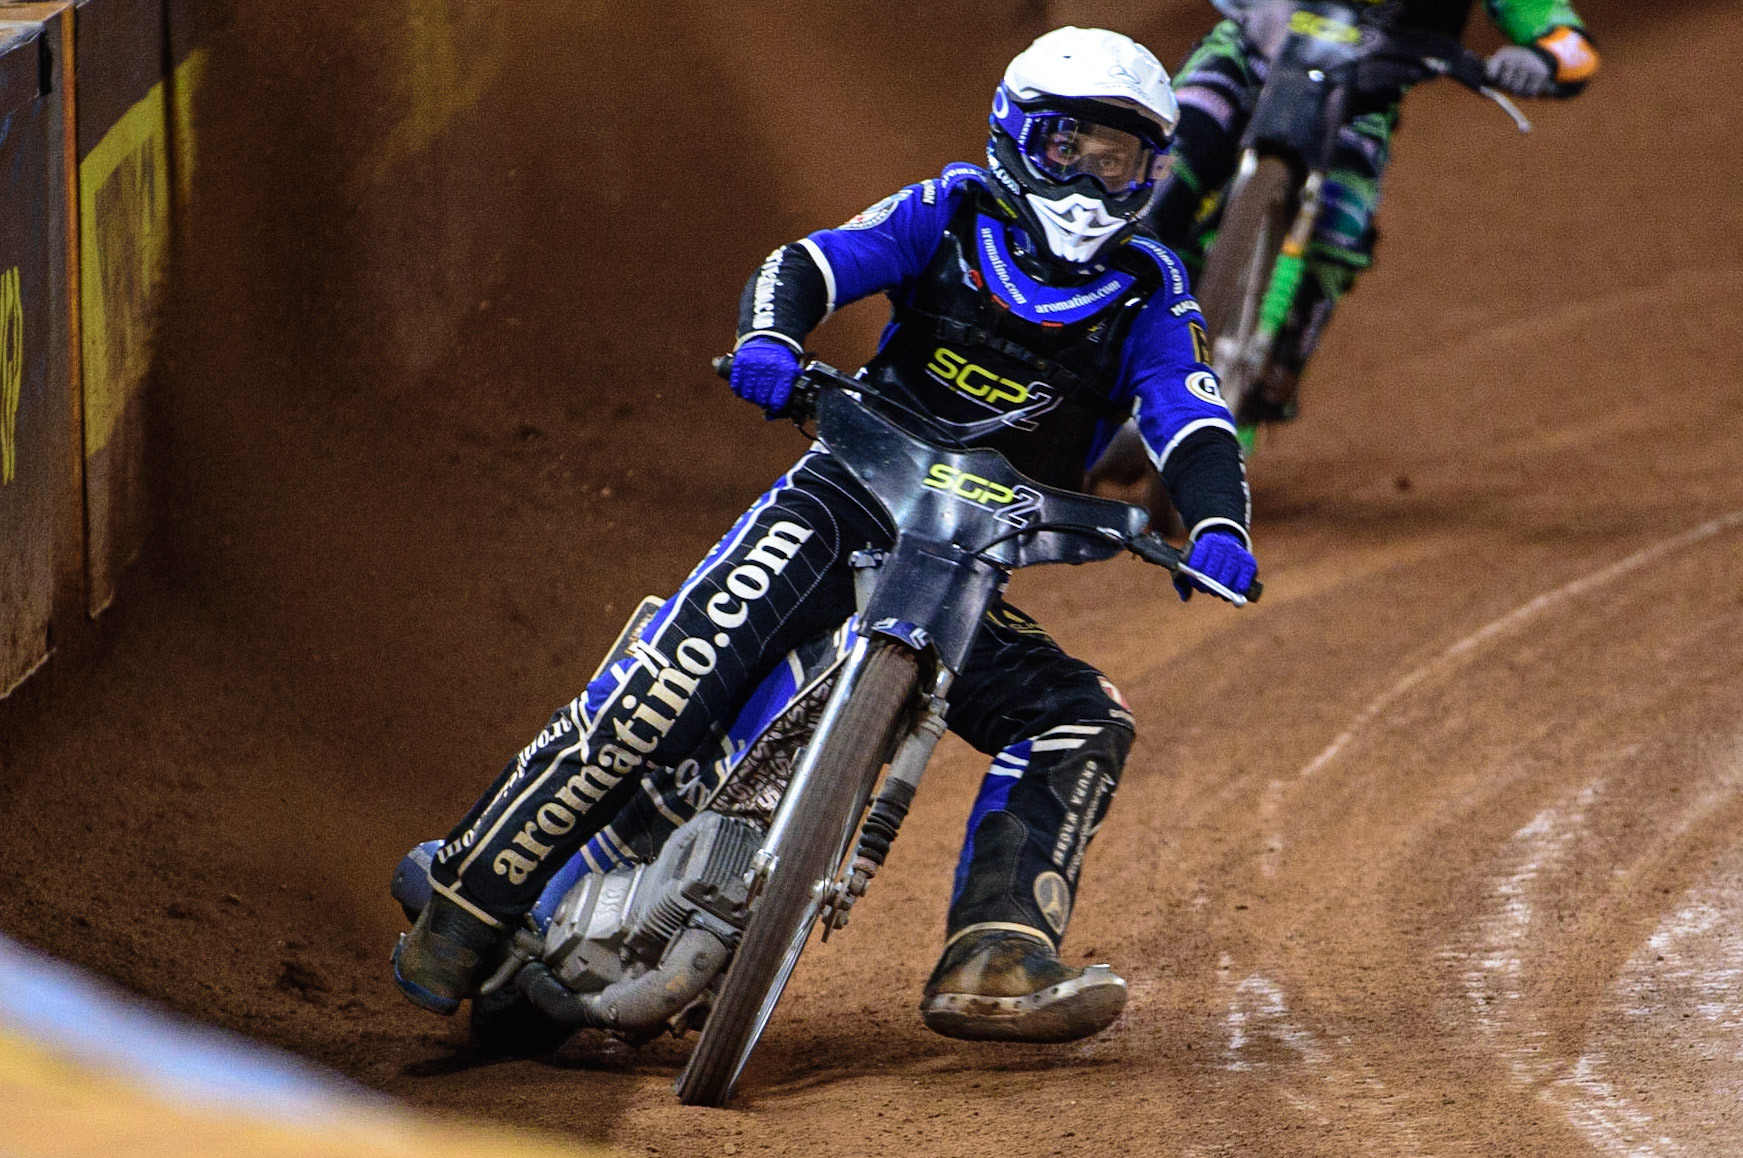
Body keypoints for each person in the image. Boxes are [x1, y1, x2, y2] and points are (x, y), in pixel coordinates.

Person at [392, 26, 1259, 1045]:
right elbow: (812, 261)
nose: (1089, 175)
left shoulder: (1149, 286)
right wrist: (771, 336)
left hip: (965, 567)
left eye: (1117, 157)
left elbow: (1188, 413)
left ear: (1150, 169)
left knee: (1080, 718)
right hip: (843, 492)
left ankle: (996, 953)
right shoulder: (949, 209)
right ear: (1020, 136)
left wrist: (1216, 519)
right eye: (1071, 146)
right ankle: (474, 892)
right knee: (674, 679)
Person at [1149, 0, 1599, 424]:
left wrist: (1542, 59)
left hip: (1358, 99)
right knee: (1160, 181)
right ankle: (1099, 309)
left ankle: (1275, 367)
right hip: (1246, 55)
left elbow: (1565, 37)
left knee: (1338, 231)